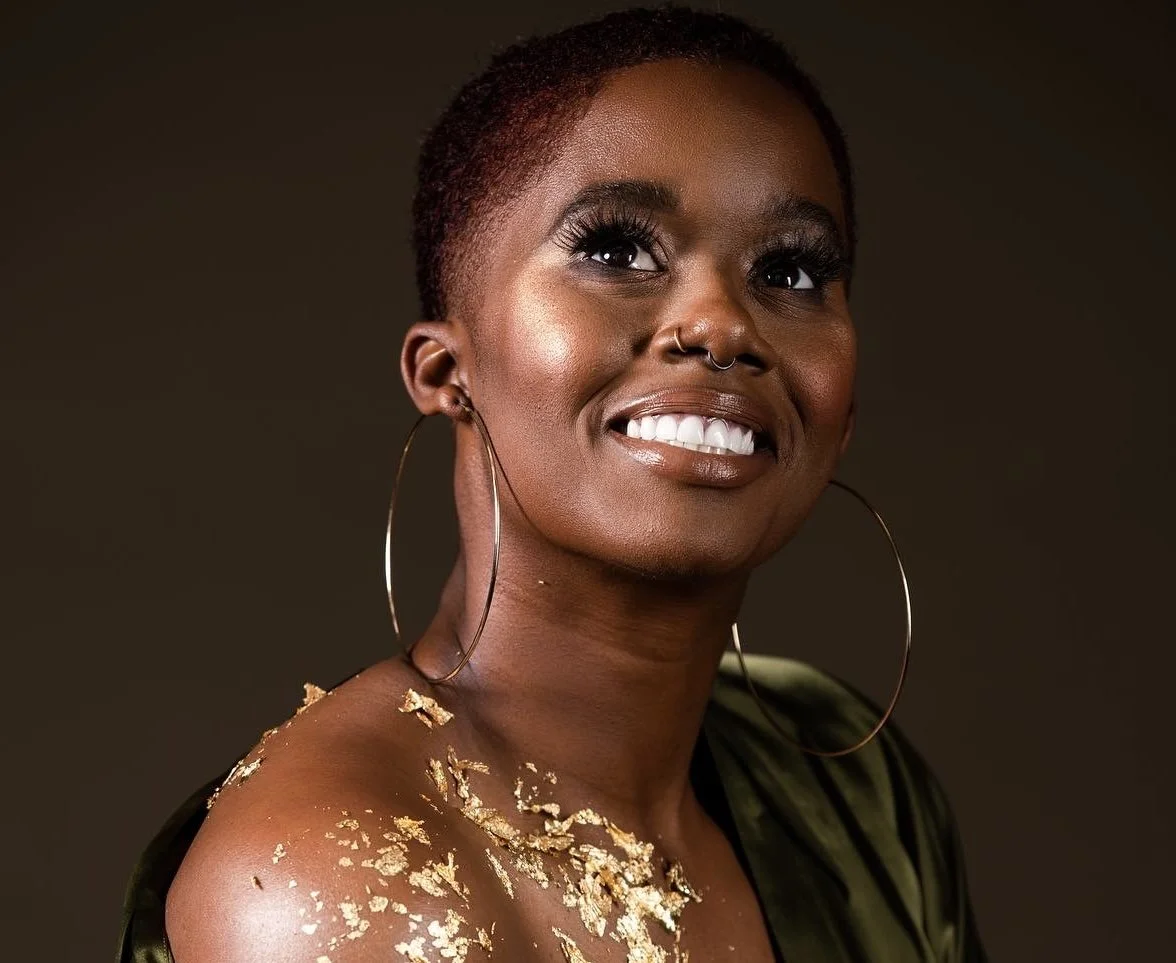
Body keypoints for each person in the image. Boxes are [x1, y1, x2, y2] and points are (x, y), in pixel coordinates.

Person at [116, 6, 987, 962]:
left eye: (791, 269)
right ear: (448, 372)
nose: (722, 323)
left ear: (843, 410)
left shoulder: (851, 785)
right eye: (617, 249)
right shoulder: (327, 870)